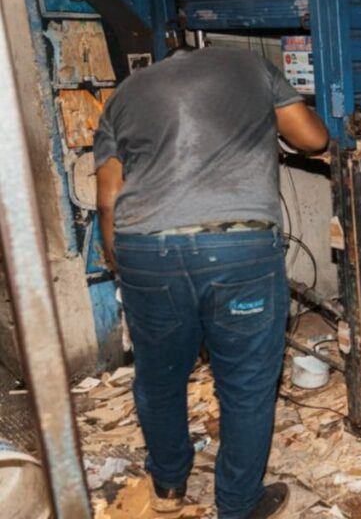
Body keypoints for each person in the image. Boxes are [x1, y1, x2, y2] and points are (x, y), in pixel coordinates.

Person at [95, 44, 329, 517]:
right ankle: (238, 504)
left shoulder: (123, 94)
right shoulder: (251, 66)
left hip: (147, 251)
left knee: (158, 378)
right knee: (245, 384)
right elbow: (312, 139)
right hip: (237, 248)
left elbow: (107, 197)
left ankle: (168, 486)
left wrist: (123, 264)